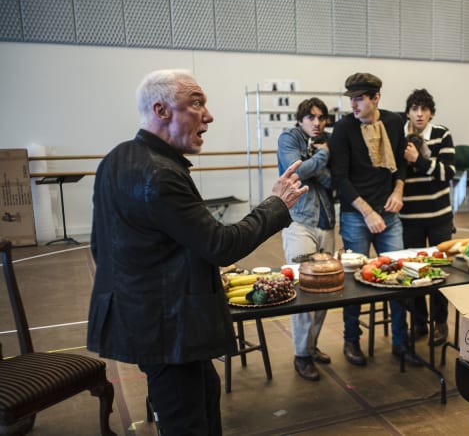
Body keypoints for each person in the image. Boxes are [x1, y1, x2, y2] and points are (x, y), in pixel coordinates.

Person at [87, 69, 307, 435]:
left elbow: (102, 245)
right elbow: (221, 244)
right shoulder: (160, 174)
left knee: (205, 389)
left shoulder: (118, 158)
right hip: (166, 328)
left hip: (145, 321)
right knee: (187, 420)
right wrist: (276, 205)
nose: (209, 115)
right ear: (161, 110)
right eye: (196, 103)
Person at [329, 72, 421, 367]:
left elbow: (402, 165)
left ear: (375, 98)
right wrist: (367, 212)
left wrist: (399, 189)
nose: (353, 104)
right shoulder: (343, 128)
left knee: (399, 278)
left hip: (390, 214)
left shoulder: (394, 123)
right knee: (354, 282)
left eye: (359, 98)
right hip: (357, 216)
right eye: (351, 99)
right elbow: (339, 179)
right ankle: (351, 340)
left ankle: (400, 342)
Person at [277, 98, 335, 381]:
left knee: (326, 288)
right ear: (300, 120)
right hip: (299, 221)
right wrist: (321, 158)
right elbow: (296, 173)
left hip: (326, 222)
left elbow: (332, 180)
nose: (317, 123)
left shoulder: (329, 140)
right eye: (311, 117)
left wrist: (316, 167)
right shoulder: (289, 137)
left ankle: (311, 347)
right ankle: (301, 355)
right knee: (303, 289)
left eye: (322, 118)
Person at [400, 89, 456, 346]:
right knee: (412, 271)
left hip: (438, 216)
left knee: (439, 270)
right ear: (408, 111)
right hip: (408, 216)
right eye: (414, 108)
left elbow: (448, 173)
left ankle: (440, 322)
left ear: (431, 113)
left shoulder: (441, 134)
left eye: (424, 109)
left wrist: (420, 161)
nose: (419, 114)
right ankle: (419, 322)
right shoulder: (399, 134)